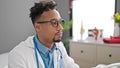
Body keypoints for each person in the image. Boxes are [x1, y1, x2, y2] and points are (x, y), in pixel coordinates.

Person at [8, 0, 79, 68]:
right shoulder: (18, 55)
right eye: (54, 23)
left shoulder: (59, 46)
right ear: (37, 27)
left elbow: (70, 65)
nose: (60, 28)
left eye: (60, 22)